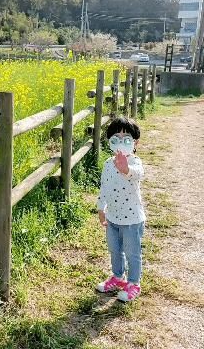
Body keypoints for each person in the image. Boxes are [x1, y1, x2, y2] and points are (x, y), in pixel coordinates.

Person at [95, 117, 145, 302]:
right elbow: (104, 187)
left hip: (132, 219)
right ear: (110, 141)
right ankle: (117, 278)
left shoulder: (135, 162)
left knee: (133, 252)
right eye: (116, 137)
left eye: (127, 138)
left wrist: (126, 169)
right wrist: (101, 208)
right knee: (115, 250)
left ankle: (134, 283)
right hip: (113, 217)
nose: (121, 141)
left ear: (135, 142)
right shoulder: (108, 163)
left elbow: (139, 174)